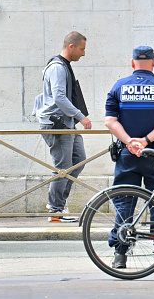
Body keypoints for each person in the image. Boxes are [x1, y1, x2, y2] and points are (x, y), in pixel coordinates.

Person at [104, 45, 154, 269]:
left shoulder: (119, 87)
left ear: (132, 63)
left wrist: (130, 142)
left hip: (128, 154)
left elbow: (110, 121)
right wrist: (145, 141)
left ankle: (120, 255)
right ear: (153, 63)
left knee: (124, 201)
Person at [36, 31, 92, 223]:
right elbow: (59, 97)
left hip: (67, 123)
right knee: (62, 167)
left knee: (79, 160)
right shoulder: (58, 68)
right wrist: (81, 116)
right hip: (59, 123)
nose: (83, 53)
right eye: (82, 49)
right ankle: (56, 210)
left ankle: (59, 204)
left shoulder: (63, 66)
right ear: (71, 47)